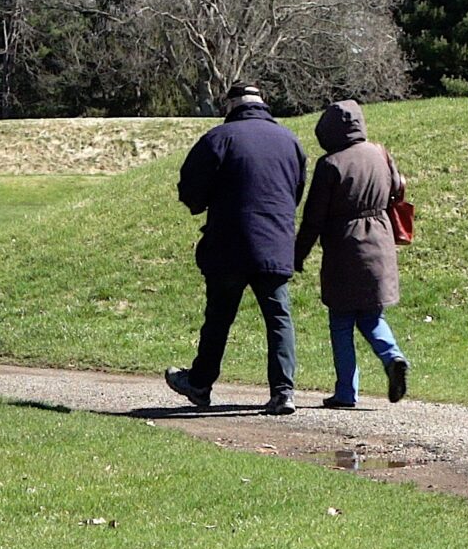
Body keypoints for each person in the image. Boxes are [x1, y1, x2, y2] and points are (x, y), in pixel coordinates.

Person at [165, 83, 306, 416]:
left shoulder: (219, 138)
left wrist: (203, 203)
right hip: (274, 243)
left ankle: (199, 383)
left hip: (228, 243)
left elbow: (191, 190)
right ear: (263, 104)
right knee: (278, 318)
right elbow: (296, 191)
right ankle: (283, 391)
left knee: (218, 317)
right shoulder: (290, 141)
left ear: (231, 105)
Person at [294, 100, 410, 409]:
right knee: (372, 315)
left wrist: (298, 254)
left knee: (342, 321)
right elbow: (397, 190)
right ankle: (393, 356)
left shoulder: (330, 164)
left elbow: (313, 218)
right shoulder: (381, 154)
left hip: (344, 247)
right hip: (381, 241)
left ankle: (346, 391)